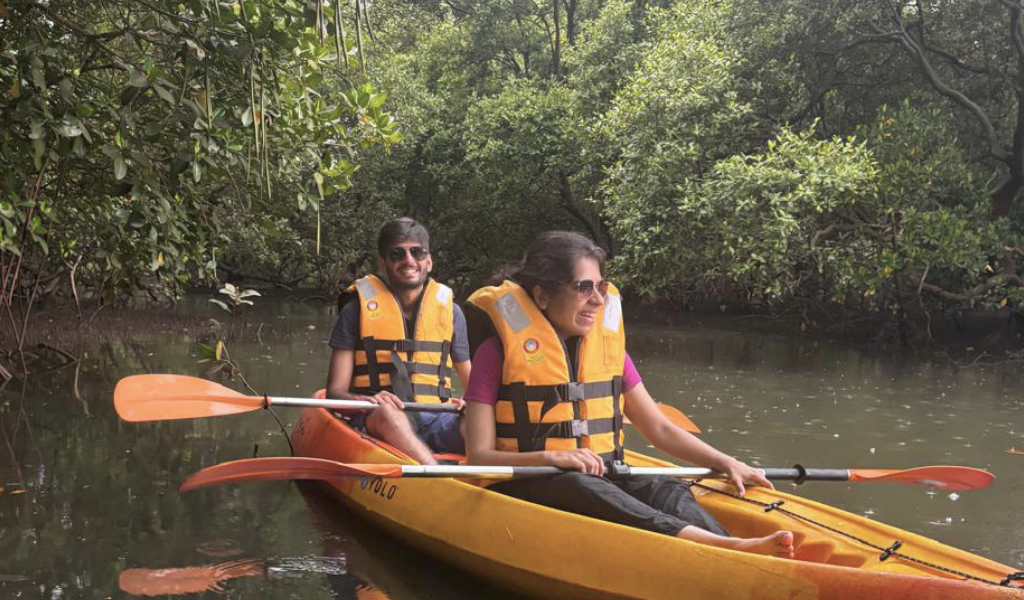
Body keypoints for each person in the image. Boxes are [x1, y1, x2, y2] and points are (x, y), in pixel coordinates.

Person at [462, 231, 794, 557]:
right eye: (584, 287)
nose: (597, 300)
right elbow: (479, 458)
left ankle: (734, 551)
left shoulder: (610, 353)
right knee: (580, 484)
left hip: (601, 475)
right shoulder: (497, 353)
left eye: (601, 286)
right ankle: (718, 548)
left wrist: (727, 462)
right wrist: (551, 458)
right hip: (529, 481)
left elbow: (660, 429)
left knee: (664, 487)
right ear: (543, 296)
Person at [327, 218, 471, 465]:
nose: (409, 260)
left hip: (438, 418)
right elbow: (335, 392)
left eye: (417, 252)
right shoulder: (356, 310)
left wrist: (473, 404)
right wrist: (368, 401)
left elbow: (473, 385)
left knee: (480, 416)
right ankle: (437, 476)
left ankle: (496, 476)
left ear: (428, 261)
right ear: (382, 264)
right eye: (397, 254)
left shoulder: (451, 312)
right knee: (388, 414)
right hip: (379, 419)